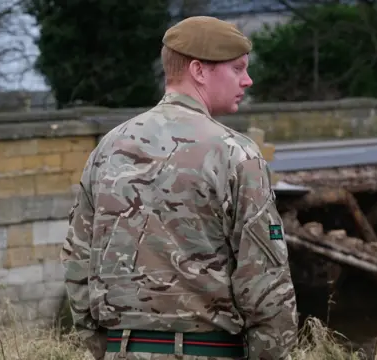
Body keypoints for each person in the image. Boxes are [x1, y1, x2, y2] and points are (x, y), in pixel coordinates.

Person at [60, 16, 298, 360]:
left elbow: (77, 259)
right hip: (209, 350)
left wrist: (104, 347)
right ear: (199, 71)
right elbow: (266, 282)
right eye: (237, 68)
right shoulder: (236, 153)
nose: (248, 80)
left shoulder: (107, 148)